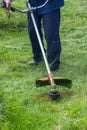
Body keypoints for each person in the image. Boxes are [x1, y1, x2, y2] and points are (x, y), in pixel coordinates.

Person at [5, 0, 64, 71]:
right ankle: (38, 57)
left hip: (50, 4)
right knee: (32, 31)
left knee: (50, 33)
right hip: (33, 4)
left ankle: (53, 62)